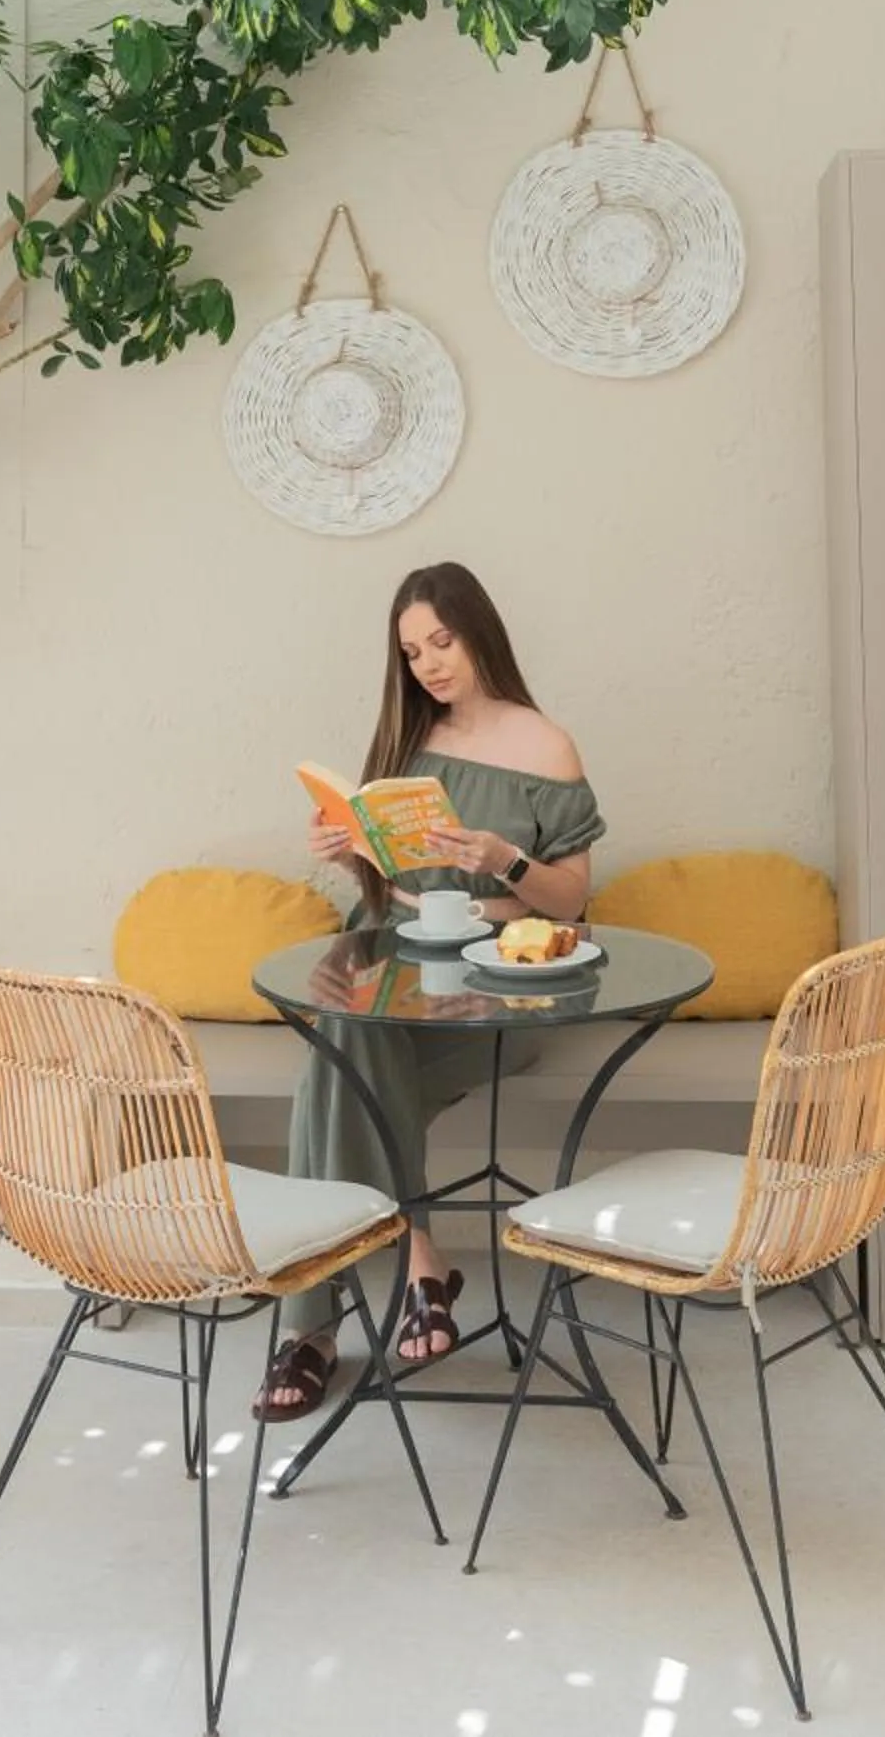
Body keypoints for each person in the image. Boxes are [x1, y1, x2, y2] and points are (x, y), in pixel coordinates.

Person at [256, 562, 605, 1422]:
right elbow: (388, 880)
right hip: (401, 956)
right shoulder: (408, 743)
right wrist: (349, 851)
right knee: (351, 1034)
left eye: (441, 643)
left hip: (501, 984)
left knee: (341, 1056)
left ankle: (310, 1330)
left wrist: (504, 859)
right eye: (413, 653)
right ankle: (419, 1269)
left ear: (478, 631)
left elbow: (572, 900)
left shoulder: (544, 745)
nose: (429, 666)